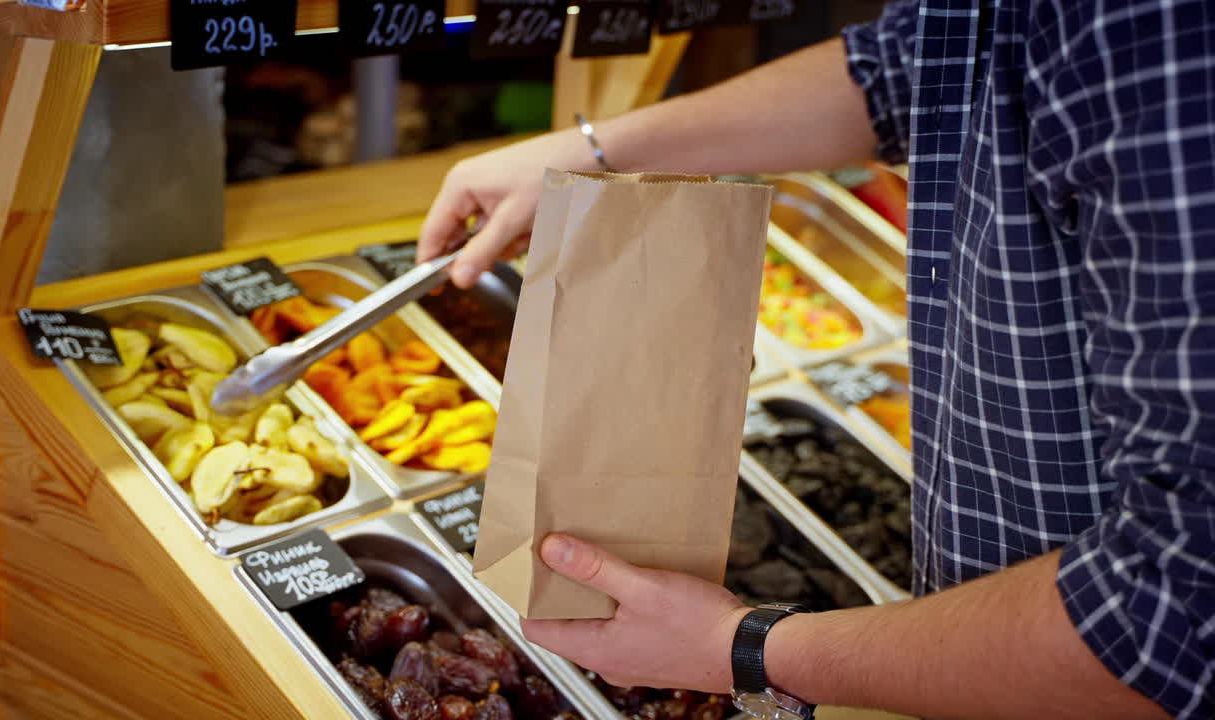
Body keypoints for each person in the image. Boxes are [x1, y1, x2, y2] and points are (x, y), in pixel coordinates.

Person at [417, 1, 1214, 717]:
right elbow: (917, 63)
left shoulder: (1165, 37)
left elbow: (1168, 621)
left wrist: (745, 648)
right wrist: (602, 147)